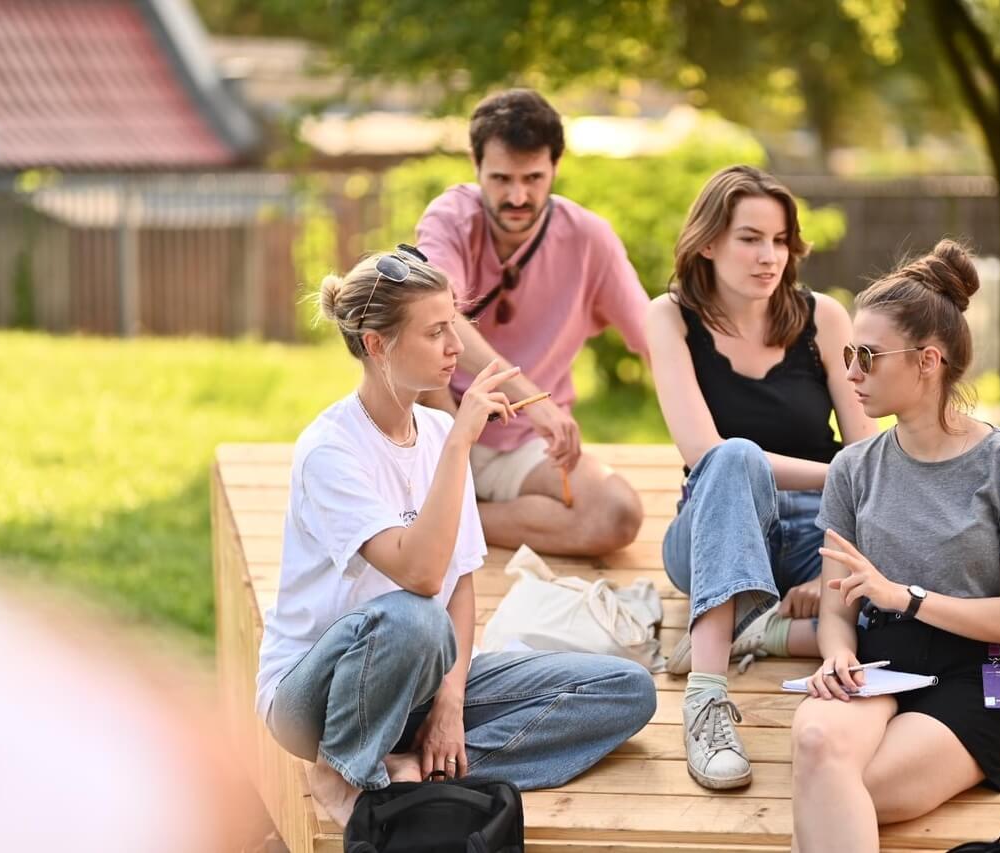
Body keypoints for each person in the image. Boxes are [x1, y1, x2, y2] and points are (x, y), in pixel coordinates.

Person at [254, 247, 656, 827]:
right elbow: (420, 575)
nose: (455, 348)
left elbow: (461, 584)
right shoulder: (331, 451)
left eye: (454, 328)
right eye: (437, 332)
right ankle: (344, 766)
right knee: (416, 618)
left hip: (421, 675)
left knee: (626, 689)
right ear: (377, 344)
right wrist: (462, 445)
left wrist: (449, 703)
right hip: (318, 695)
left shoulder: (439, 427)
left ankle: (414, 767)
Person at [790, 240, 1000, 852]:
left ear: (928, 361)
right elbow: (837, 606)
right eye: (846, 355)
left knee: (843, 783)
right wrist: (836, 653)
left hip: (982, 667)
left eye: (868, 355)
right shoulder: (853, 467)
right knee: (815, 748)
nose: (852, 373)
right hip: (879, 661)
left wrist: (906, 597)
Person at [645, 165, 876, 790]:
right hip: (711, 527)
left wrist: (823, 565)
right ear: (709, 243)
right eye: (750, 239)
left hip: (814, 530)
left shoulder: (824, 318)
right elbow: (703, 449)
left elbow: (868, 456)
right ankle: (707, 703)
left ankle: (762, 631)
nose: (769, 256)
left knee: (913, 614)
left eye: (779, 240)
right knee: (734, 456)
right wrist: (833, 478)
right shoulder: (668, 318)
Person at [415, 88, 649, 556]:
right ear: (476, 165)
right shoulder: (450, 217)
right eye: (501, 179)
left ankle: (453, 517)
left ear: (555, 168)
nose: (517, 196)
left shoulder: (588, 238)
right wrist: (532, 399)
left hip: (525, 444)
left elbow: (654, 339)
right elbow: (440, 313)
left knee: (617, 514)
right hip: (438, 424)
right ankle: (441, 499)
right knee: (421, 330)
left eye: (533, 178)